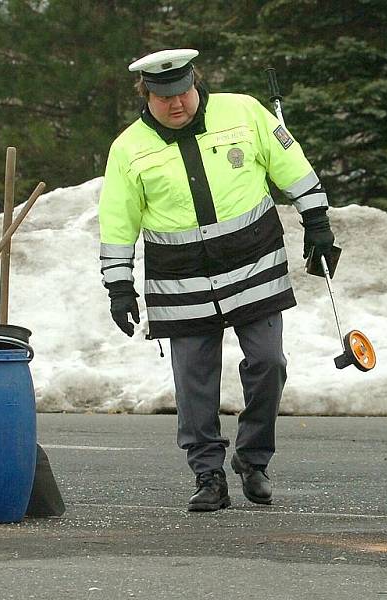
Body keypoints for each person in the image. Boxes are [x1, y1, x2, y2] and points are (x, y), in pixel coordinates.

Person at [98, 48, 336, 511]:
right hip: (179, 278)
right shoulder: (127, 148)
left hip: (253, 263)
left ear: (195, 82)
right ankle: (208, 474)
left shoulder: (243, 111)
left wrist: (318, 222)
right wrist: (118, 286)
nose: (176, 104)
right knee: (194, 383)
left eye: (183, 92)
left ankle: (253, 459)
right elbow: (117, 221)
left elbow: (292, 164)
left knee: (270, 362)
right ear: (146, 94)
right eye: (163, 97)